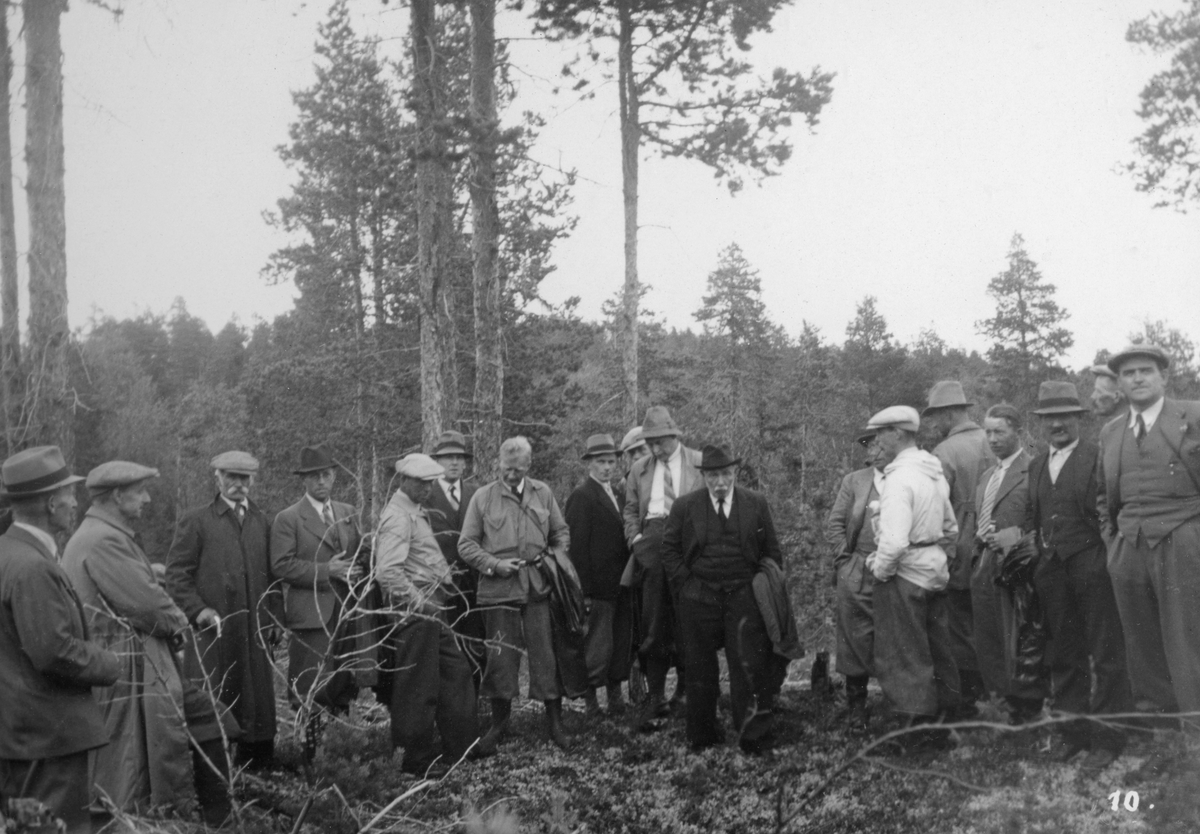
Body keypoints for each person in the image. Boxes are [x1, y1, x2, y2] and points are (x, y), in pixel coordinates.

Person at [62, 462, 237, 825]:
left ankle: (203, 815)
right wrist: (177, 623)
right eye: (139, 491)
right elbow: (149, 604)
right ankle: (212, 820)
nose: (147, 498)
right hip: (130, 670)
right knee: (132, 764)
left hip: (132, 666)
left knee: (182, 731)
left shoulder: (101, 534)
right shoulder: (104, 539)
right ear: (115, 496)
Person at [0, 446, 120, 834]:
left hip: (19, 736)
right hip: (47, 740)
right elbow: (53, 652)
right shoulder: (33, 567)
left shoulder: (9, 552)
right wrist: (109, 663)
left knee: (28, 825)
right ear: (51, 504)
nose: (75, 501)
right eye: (69, 493)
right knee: (53, 827)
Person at [1096, 343, 1200, 780]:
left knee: (1187, 640)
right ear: (1119, 383)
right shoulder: (1111, 431)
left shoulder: (1192, 416)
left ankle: (1194, 738)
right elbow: (1105, 496)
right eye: (1129, 374)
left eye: (1145, 371)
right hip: (1129, 548)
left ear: (1163, 376)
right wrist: (1113, 540)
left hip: (1182, 540)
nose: (1137, 378)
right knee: (1141, 645)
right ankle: (1161, 740)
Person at [1025, 382, 1132, 776]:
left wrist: (1105, 556)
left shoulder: (1096, 456)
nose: (1057, 424)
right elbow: (1033, 517)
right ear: (1040, 423)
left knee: (1106, 653)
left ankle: (1108, 739)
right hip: (1052, 571)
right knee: (1065, 654)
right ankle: (1074, 733)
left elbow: (1112, 509)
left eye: (1064, 416)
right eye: (1049, 418)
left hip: (1093, 565)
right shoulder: (1036, 465)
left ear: (1078, 419)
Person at [661, 444, 784, 754]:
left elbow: (772, 552)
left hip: (743, 596)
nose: (719, 481)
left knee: (748, 666)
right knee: (699, 670)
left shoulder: (755, 503)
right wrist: (687, 586)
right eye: (713, 475)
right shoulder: (685, 506)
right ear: (704, 476)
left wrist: (760, 588)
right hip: (699, 597)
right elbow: (669, 551)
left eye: (725, 474)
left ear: (735, 473)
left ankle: (753, 738)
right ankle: (702, 738)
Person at [459, 436, 575, 751]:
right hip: (498, 591)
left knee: (545, 656)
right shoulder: (483, 498)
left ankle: (554, 723)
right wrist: (495, 564)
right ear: (498, 463)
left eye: (518, 469)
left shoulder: (543, 493)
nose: (511, 475)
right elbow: (466, 544)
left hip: (539, 588)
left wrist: (555, 558)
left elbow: (560, 532)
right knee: (501, 659)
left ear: (528, 466)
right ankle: (499, 725)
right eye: (507, 468)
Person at [166, 451, 279, 769]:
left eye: (244, 478)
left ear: (253, 480)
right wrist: (197, 610)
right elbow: (176, 575)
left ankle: (258, 770)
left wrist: (274, 620)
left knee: (257, 697)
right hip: (214, 632)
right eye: (231, 477)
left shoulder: (260, 521)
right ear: (217, 478)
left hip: (254, 629)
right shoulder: (197, 521)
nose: (238, 484)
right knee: (214, 696)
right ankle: (213, 771)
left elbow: (272, 578)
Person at [375, 454, 480, 776]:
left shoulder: (414, 511)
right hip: (415, 611)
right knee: (417, 687)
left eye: (430, 482)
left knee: (455, 673)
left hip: (431, 608)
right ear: (405, 481)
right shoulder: (397, 516)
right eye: (421, 483)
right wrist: (420, 602)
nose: (427, 488)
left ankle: (462, 748)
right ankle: (412, 761)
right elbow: (388, 573)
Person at [863, 407, 960, 752]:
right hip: (934, 571)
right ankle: (942, 728)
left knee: (904, 654)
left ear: (899, 434)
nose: (876, 442)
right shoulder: (932, 473)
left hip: (904, 574)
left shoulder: (899, 479)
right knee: (938, 649)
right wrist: (938, 558)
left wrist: (881, 570)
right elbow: (950, 528)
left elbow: (894, 542)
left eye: (881, 434)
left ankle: (912, 735)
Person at [270, 445, 362, 758]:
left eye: (326, 474)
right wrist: (327, 570)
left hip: (346, 610)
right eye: (313, 476)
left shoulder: (348, 512)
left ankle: (340, 750)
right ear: (303, 481)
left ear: (334, 475)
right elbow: (281, 566)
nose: (321, 481)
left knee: (343, 678)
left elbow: (359, 553)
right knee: (309, 683)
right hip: (310, 613)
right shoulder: (289, 519)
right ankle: (308, 752)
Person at [622, 406, 703, 726]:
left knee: (688, 617)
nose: (655, 449)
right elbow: (630, 510)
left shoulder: (698, 462)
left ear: (674, 436)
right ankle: (656, 696)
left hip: (689, 542)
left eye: (660, 442)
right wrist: (636, 540)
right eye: (650, 443)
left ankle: (684, 692)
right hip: (651, 542)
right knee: (653, 620)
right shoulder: (640, 469)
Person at [924, 380, 994, 715]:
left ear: (951, 413)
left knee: (959, 625)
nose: (934, 424)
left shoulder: (944, 453)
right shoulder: (994, 440)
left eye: (937, 416)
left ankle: (970, 697)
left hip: (960, 551)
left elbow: (936, 511)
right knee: (993, 621)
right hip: (996, 549)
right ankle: (996, 691)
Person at [971, 404, 1044, 724]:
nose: (992, 438)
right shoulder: (988, 475)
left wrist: (1003, 539)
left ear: (1018, 431)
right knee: (991, 639)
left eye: (999, 431)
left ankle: (1029, 708)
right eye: (988, 432)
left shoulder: (1033, 471)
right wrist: (981, 539)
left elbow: (1037, 525)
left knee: (1021, 639)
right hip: (986, 568)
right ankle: (1004, 703)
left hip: (1019, 571)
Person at [564, 434, 632, 718]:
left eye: (611, 462)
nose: (607, 467)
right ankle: (591, 703)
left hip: (620, 585)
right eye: (601, 462)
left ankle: (616, 698)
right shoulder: (582, 496)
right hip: (596, 588)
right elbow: (577, 548)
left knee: (619, 644)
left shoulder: (617, 494)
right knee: (596, 647)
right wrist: (585, 593)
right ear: (589, 463)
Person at [824, 430, 885, 728]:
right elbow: (835, 524)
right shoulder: (855, 480)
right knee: (854, 639)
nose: (875, 450)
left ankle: (899, 705)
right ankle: (857, 707)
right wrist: (845, 561)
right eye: (870, 445)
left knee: (896, 637)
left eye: (880, 443)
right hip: (857, 568)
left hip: (898, 570)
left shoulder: (909, 478)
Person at [424, 430, 485, 686]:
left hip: (475, 587)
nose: (454, 463)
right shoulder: (425, 496)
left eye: (459, 458)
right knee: (444, 649)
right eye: (448, 457)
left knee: (475, 645)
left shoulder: (477, 493)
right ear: (437, 461)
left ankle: (473, 705)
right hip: (439, 588)